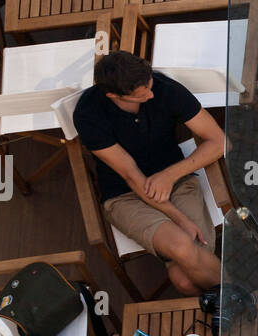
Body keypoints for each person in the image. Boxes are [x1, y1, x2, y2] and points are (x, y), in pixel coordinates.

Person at [74, 51, 225, 294]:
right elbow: (132, 177)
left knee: (184, 281)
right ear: (113, 95)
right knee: (183, 248)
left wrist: (170, 174)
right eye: (141, 95)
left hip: (177, 182)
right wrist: (180, 219)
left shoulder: (164, 88)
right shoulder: (88, 114)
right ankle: (250, 303)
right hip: (126, 195)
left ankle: (232, 309)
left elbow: (219, 141)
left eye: (150, 86)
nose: (151, 95)